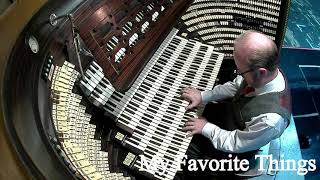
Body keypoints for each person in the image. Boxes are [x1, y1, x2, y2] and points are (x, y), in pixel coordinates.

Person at [179, 31, 291, 178]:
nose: (238, 72)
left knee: (182, 151)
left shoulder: (271, 120)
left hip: (234, 152)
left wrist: (206, 128)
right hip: (233, 120)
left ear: (261, 72)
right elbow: (236, 85)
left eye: (241, 70)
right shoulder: (267, 73)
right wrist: (203, 96)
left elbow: (234, 142)